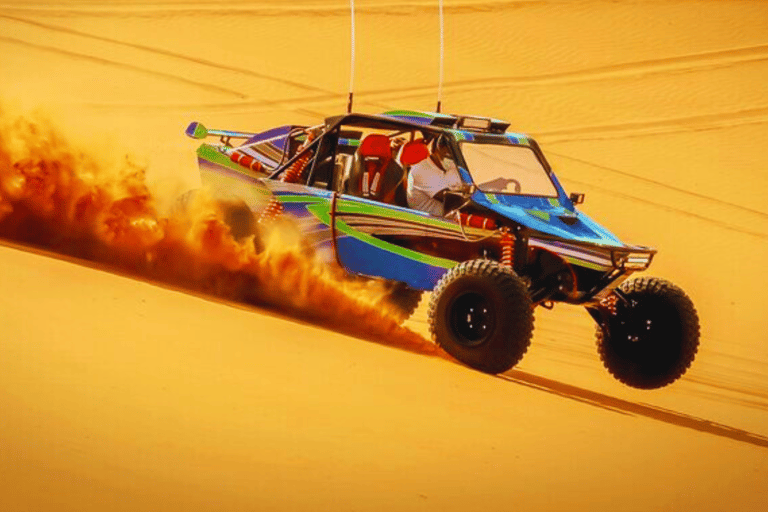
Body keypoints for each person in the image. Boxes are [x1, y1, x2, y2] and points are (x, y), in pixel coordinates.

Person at [406, 136, 463, 216]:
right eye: (448, 155)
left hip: (451, 219)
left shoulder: (452, 166)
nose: (451, 160)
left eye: (454, 156)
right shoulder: (421, 170)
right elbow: (451, 199)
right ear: (436, 150)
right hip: (427, 222)